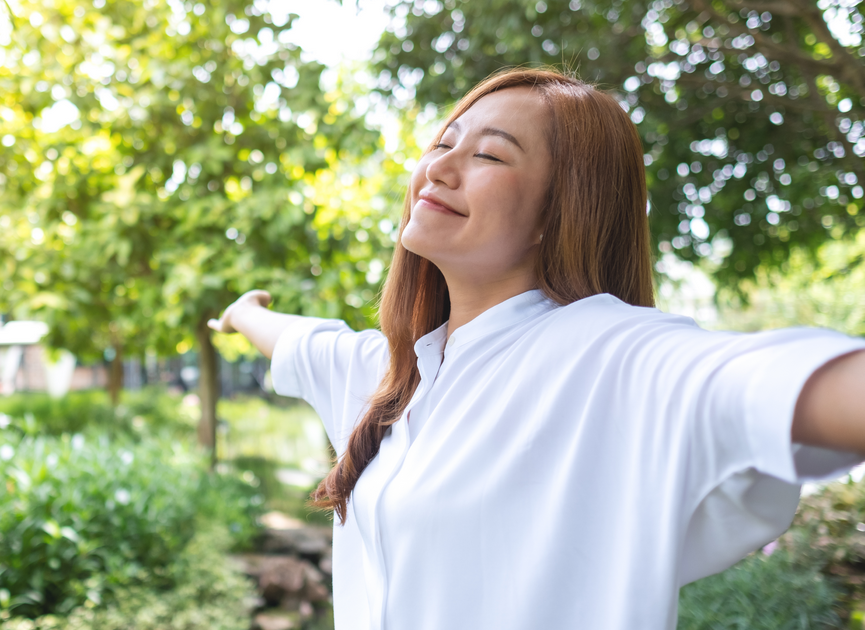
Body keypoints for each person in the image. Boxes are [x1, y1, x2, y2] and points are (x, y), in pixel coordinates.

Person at [207, 68, 865, 629]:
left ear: (560, 212)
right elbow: (302, 340)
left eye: (488, 155)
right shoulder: (387, 374)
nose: (436, 167)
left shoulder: (614, 358)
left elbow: (783, 383)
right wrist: (242, 315)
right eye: (443, 143)